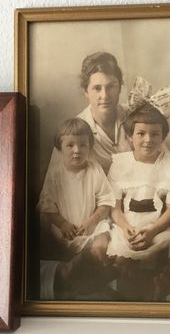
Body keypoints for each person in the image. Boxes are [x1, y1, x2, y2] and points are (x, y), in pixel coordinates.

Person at [106, 77, 170, 300]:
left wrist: (152, 230)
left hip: (157, 229)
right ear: (130, 136)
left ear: (163, 136)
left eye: (155, 134)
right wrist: (125, 228)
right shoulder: (120, 164)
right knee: (123, 260)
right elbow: (114, 207)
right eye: (141, 133)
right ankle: (127, 298)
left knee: (166, 246)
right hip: (127, 228)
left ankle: (155, 291)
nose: (148, 140)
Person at [38, 117, 116, 299]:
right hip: (64, 231)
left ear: (90, 146)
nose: (77, 150)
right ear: (60, 148)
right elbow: (47, 206)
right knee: (71, 260)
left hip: (91, 225)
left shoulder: (94, 169)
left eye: (83, 145)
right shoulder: (56, 174)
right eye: (70, 145)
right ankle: (83, 282)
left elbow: (105, 201)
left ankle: (101, 275)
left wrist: (91, 221)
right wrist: (63, 224)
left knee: (101, 242)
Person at [46, 52, 131, 176]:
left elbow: (163, 161)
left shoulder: (136, 117)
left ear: (120, 88)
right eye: (97, 88)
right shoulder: (73, 131)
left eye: (111, 86)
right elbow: (55, 182)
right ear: (86, 91)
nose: (105, 95)